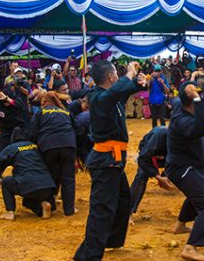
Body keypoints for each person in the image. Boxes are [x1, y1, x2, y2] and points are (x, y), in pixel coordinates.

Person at [74, 61, 146, 261]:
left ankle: (110, 240)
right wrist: (130, 72)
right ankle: (88, 256)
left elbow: (128, 89)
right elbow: (118, 90)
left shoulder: (111, 95)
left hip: (113, 159)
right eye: (118, 73)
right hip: (106, 159)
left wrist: (139, 81)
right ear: (111, 78)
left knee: (123, 201)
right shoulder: (98, 98)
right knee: (102, 210)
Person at [166, 81, 204, 261]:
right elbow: (201, 127)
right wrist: (200, 99)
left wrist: (202, 98)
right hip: (182, 169)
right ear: (191, 102)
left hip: (193, 165)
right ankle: (191, 247)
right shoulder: (181, 120)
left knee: (196, 196)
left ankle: (180, 225)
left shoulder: (183, 107)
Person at [0, 128, 56, 220]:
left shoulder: (12, 148)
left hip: (29, 185)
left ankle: (10, 212)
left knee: (6, 182)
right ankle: (44, 204)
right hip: (48, 186)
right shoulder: (35, 146)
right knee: (27, 202)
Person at [29, 90, 77, 216]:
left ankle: (50, 205)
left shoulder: (40, 112)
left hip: (49, 145)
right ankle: (69, 210)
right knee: (69, 179)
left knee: (49, 176)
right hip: (68, 144)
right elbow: (76, 130)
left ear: (45, 101)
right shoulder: (66, 112)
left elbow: (32, 133)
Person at [129, 126, 174, 220]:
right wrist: (158, 177)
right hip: (148, 157)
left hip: (167, 158)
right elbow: (143, 159)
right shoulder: (158, 136)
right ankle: (128, 211)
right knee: (141, 176)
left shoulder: (184, 139)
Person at [0, 90, 26, 155]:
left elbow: (20, 106)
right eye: (4, 103)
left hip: (18, 129)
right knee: (0, 153)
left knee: (20, 153)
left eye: (7, 102)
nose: (6, 104)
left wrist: (7, 99)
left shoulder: (16, 101)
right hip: (5, 129)